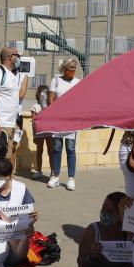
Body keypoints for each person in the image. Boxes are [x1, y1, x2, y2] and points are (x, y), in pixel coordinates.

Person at [0, 47, 29, 162]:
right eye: (17, 56)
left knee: (6, 157)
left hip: (9, 123)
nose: (19, 59)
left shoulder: (12, 75)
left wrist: (14, 124)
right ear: (10, 57)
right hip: (1, 123)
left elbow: (13, 100)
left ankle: (5, 180)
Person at [47, 59, 80, 191]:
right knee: (57, 148)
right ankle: (55, 176)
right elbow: (51, 100)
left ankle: (71, 178)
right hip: (58, 119)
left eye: (74, 68)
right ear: (64, 68)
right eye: (70, 67)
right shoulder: (56, 80)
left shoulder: (78, 82)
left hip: (72, 120)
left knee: (71, 148)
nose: (72, 70)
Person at [29, 85, 50, 180]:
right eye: (42, 94)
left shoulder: (51, 105)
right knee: (39, 151)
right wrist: (34, 135)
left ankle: (53, 171)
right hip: (40, 132)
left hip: (49, 131)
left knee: (51, 152)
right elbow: (34, 121)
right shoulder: (35, 106)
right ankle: (39, 171)